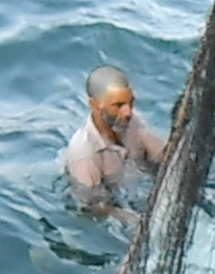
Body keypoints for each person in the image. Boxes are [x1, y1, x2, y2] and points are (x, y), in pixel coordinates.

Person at [64, 66, 165, 222]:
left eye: (130, 103)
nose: (128, 112)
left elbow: (162, 156)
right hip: (119, 210)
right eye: (118, 105)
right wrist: (139, 221)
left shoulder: (131, 122)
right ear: (95, 105)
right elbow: (95, 208)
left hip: (146, 187)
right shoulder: (83, 154)